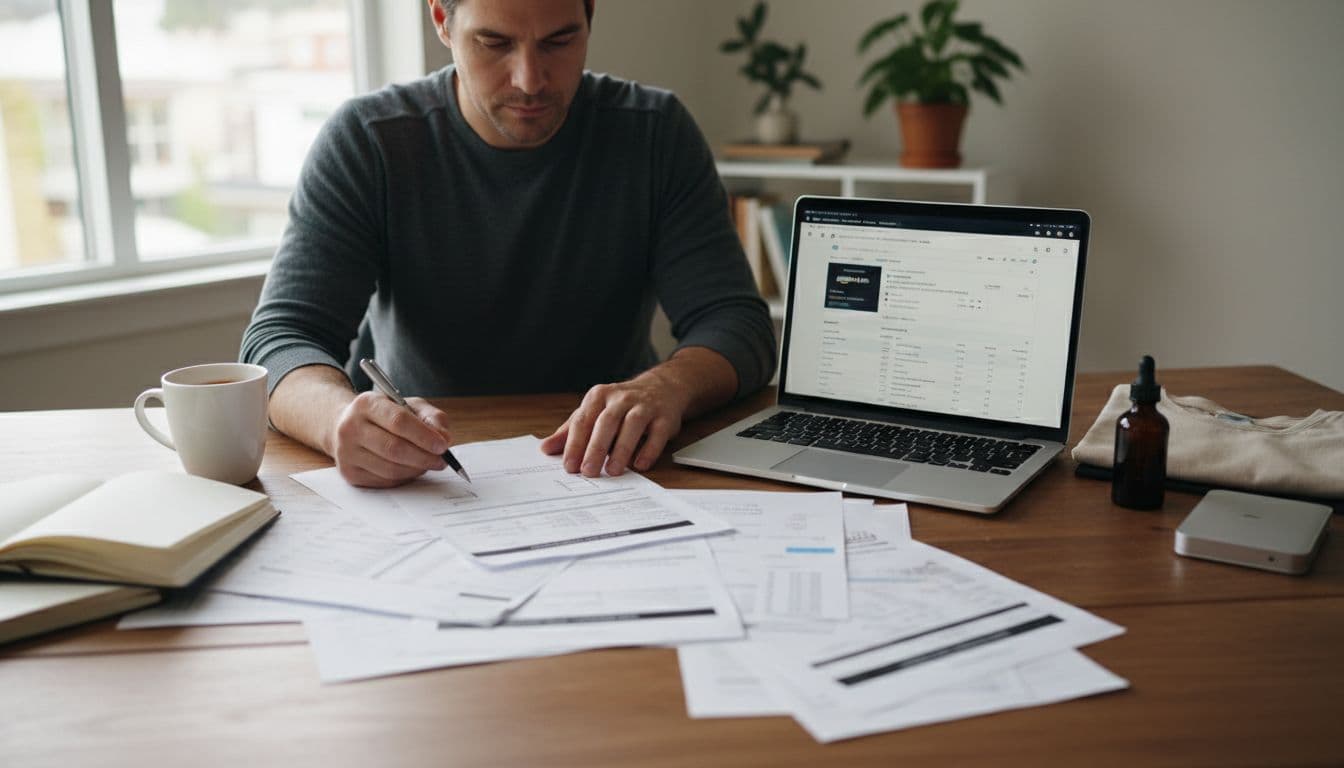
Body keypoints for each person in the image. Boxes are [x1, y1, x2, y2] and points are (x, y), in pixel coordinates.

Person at [240, 0, 776, 488]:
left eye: (559, 42)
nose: (530, 80)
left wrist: (666, 389)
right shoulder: (370, 141)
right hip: (423, 476)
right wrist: (339, 422)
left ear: (591, 18)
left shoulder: (655, 134)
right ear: (442, 23)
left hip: (611, 469)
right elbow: (283, 338)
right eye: (495, 43)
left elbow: (736, 323)